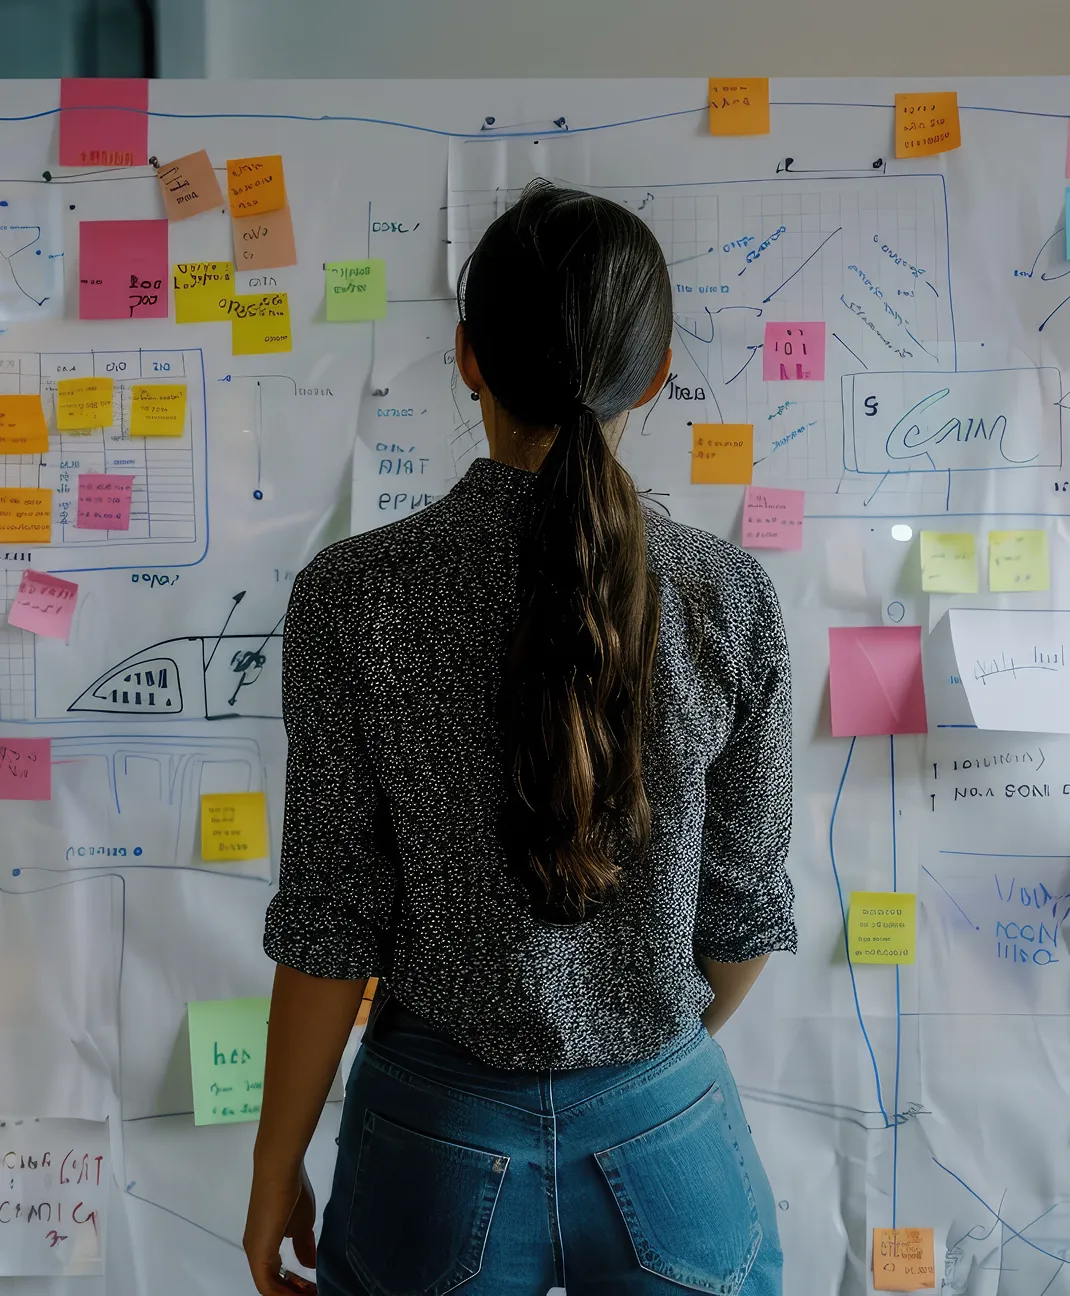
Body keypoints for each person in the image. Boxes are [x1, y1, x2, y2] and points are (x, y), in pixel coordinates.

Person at [244, 179, 796, 1296]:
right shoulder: (727, 597)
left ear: (466, 358)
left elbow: (328, 924)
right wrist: (627, 1045)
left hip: (429, 1137)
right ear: (653, 373)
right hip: (665, 1124)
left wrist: (271, 1172)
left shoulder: (354, 596)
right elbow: (740, 919)